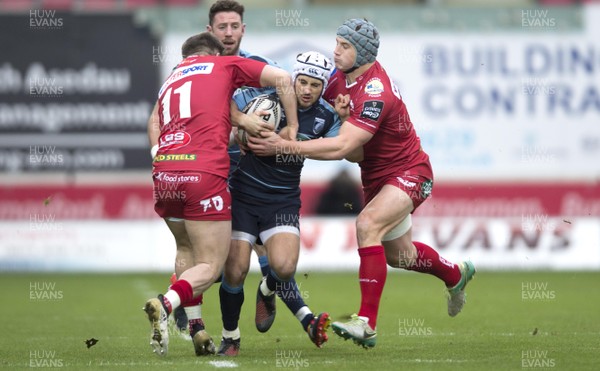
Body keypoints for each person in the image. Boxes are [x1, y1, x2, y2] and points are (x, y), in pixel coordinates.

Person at [248, 18, 476, 349]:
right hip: (376, 178)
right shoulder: (336, 78)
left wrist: (284, 145)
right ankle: (455, 275)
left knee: (366, 225)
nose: (336, 51)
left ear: (363, 53)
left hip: (410, 171)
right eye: (337, 43)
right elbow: (354, 155)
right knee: (401, 256)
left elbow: (342, 147)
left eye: (344, 46)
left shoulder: (375, 91)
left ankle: (366, 323)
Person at [143, 31, 299, 357]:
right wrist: (292, 130)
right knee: (212, 265)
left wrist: (160, 151)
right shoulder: (224, 65)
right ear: (214, 53)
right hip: (203, 174)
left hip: (165, 173)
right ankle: (166, 303)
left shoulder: (171, 79)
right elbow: (283, 78)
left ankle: (198, 330)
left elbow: (155, 121)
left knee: (185, 247)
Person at [217, 51, 339, 356]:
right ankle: (230, 336)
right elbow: (223, 114)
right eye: (303, 82)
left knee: (284, 267)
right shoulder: (263, 100)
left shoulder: (327, 116)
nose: (308, 90)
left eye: (315, 85)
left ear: (323, 87)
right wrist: (241, 132)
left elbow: (344, 150)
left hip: (282, 200)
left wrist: (289, 145)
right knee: (235, 270)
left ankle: (267, 290)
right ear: (293, 79)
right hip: (243, 196)